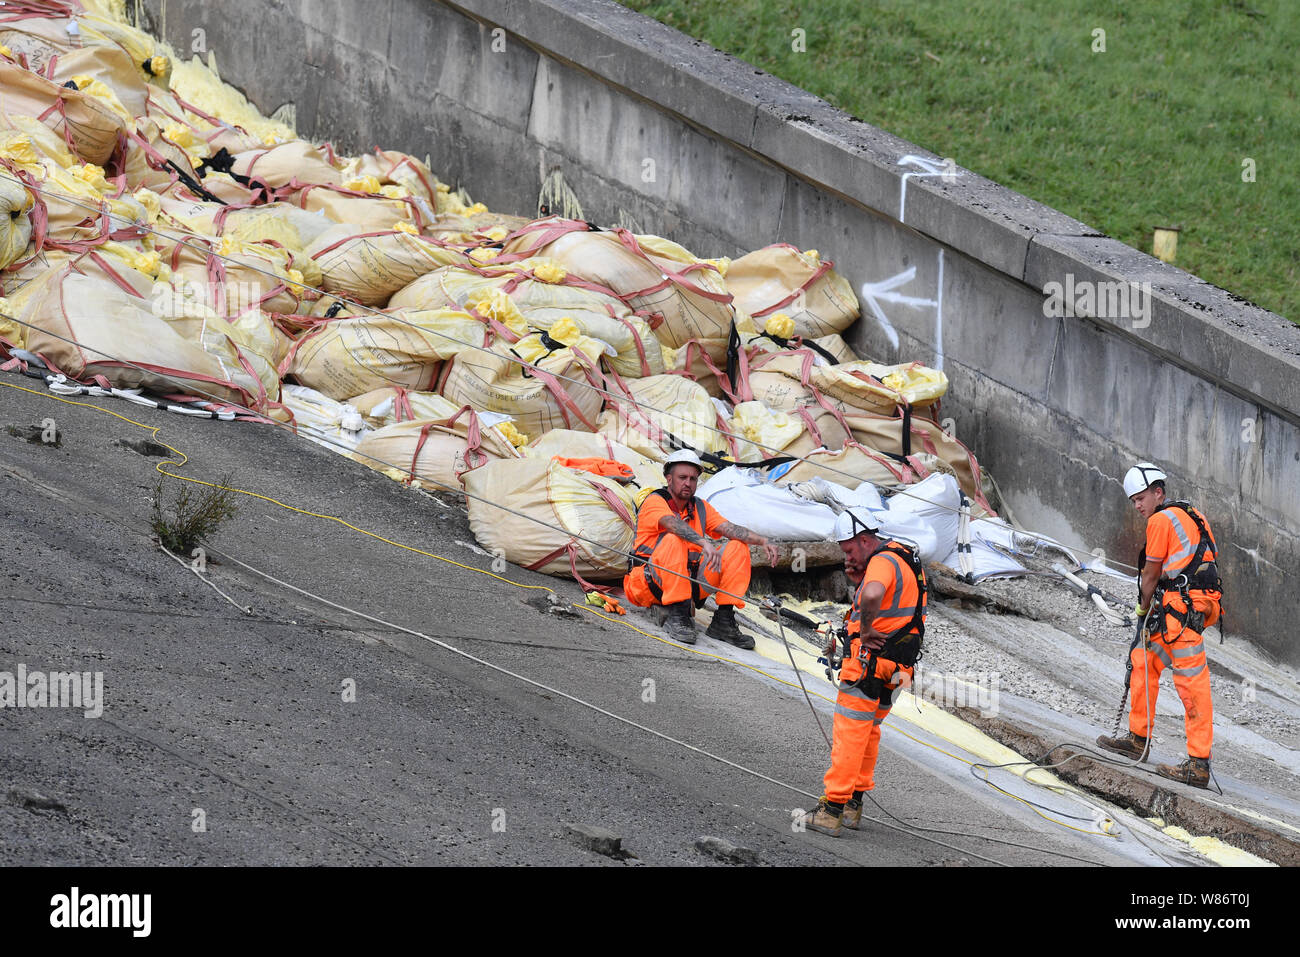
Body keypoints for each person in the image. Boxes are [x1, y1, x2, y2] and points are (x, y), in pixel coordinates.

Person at [801, 508, 927, 837]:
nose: (847, 557)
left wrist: (867, 631)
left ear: (866, 539)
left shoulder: (883, 561)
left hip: (869, 663)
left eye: (849, 550)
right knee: (869, 732)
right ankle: (854, 804)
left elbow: (872, 595)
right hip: (898, 667)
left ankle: (831, 810)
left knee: (850, 734)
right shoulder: (906, 558)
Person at [1096, 463, 1224, 789]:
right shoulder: (1191, 514)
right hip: (1194, 603)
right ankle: (1138, 739)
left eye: (1141, 498)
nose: (1138, 506)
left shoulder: (1160, 520)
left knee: (1191, 681)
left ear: (1158, 492)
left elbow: (1151, 575)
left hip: (1182, 608)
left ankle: (1198, 765)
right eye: (1134, 501)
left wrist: (1141, 609)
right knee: (1144, 660)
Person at [624, 449, 778, 647]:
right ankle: (678, 614)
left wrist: (763, 540)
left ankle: (723, 619)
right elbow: (672, 524)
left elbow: (730, 529)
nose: (688, 483)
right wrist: (703, 542)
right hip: (648, 584)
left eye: (693, 479)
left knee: (737, 547)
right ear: (669, 479)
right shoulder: (655, 501)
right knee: (674, 539)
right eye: (682, 477)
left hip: (688, 585)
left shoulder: (700, 507)